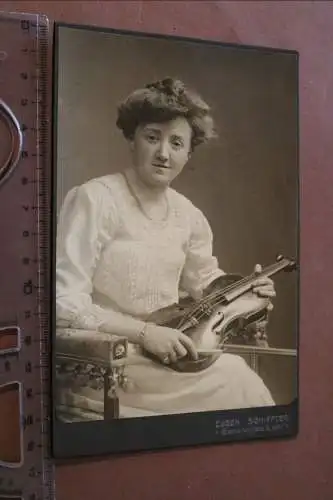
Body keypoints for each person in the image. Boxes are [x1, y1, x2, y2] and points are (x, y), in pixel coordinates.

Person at [55, 77, 276, 421]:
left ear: (189, 152)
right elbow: (64, 303)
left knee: (239, 379)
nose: (163, 153)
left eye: (176, 143)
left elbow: (207, 284)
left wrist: (250, 290)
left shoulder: (189, 215)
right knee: (238, 381)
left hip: (169, 356)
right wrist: (145, 333)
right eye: (152, 137)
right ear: (131, 138)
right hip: (104, 362)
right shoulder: (95, 199)